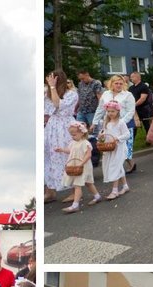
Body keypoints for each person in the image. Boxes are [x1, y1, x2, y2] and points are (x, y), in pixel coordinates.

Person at [92, 75, 138, 173]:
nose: (118, 85)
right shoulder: (105, 94)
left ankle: (126, 166)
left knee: (125, 149)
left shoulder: (128, 95)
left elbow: (131, 111)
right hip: (109, 125)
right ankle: (117, 169)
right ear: (111, 83)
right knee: (112, 147)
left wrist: (120, 123)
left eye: (121, 83)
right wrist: (94, 122)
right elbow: (100, 109)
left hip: (125, 125)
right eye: (116, 83)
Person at [45, 70, 79, 202]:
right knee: (49, 156)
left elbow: (57, 104)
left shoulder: (72, 94)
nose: (50, 82)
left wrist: (53, 87)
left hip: (66, 127)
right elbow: (47, 110)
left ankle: (74, 189)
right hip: (52, 126)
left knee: (67, 155)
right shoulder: (46, 94)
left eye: (53, 80)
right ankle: (50, 190)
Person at [57, 121, 99, 213]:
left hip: (84, 166)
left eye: (74, 134)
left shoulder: (85, 143)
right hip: (76, 166)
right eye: (71, 135)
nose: (72, 136)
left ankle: (75, 205)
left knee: (78, 185)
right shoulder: (73, 143)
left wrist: (81, 163)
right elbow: (70, 151)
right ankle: (97, 196)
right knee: (88, 183)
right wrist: (62, 150)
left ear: (81, 133)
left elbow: (88, 155)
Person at [98, 100, 132, 200]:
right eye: (108, 111)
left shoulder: (121, 122)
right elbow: (104, 134)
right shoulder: (106, 122)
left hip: (119, 148)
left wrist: (118, 138)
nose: (110, 113)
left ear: (117, 111)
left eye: (112, 111)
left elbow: (127, 134)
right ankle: (125, 186)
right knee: (118, 168)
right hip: (109, 148)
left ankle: (114, 191)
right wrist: (101, 137)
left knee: (114, 167)